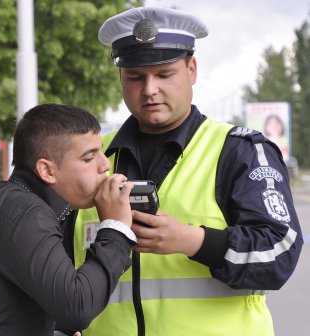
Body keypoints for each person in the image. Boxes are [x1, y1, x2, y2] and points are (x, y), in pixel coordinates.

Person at [72, 7, 304, 336]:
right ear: (120, 77)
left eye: (164, 74)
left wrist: (193, 241)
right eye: (135, 77)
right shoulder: (93, 156)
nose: (149, 89)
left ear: (191, 69)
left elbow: (279, 254)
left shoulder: (240, 151)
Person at [0, 103, 137, 335]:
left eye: (101, 151)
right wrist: (116, 228)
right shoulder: (24, 213)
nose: (105, 165)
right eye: (89, 158)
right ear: (47, 171)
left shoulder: (17, 202)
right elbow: (77, 308)